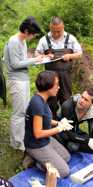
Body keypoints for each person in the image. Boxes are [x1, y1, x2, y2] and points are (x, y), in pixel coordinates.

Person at [3, 16, 43, 151]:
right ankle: (16, 143)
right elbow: (15, 64)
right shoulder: (14, 41)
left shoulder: (23, 41)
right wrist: (34, 60)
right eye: (33, 34)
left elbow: (23, 60)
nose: (33, 36)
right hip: (16, 80)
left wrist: (38, 59)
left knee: (24, 111)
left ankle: (21, 139)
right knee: (18, 113)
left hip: (23, 79)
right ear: (26, 31)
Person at [24, 71, 73, 178]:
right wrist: (59, 129)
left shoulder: (43, 99)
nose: (59, 87)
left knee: (66, 157)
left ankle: (42, 159)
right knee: (64, 171)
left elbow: (45, 119)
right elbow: (38, 133)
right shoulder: (37, 104)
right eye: (57, 85)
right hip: (35, 144)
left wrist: (59, 123)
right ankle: (36, 161)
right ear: (48, 86)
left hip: (46, 140)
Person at [35, 16, 82, 118]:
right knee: (51, 101)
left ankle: (67, 124)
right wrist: (44, 56)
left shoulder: (71, 38)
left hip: (66, 75)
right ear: (50, 27)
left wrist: (70, 56)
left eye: (58, 31)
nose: (56, 34)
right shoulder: (44, 40)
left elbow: (79, 53)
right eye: (53, 31)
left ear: (63, 27)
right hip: (50, 77)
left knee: (66, 101)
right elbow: (36, 54)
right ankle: (51, 124)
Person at [56, 87, 93, 158]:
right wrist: (87, 141)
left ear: (92, 104)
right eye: (82, 97)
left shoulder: (92, 112)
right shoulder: (67, 106)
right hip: (60, 130)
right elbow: (68, 133)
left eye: (86, 100)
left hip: (74, 129)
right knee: (73, 146)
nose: (81, 100)